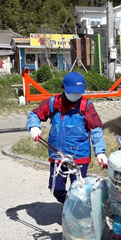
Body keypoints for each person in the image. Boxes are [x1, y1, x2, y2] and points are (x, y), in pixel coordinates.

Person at [26, 71, 108, 204]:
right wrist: (34, 126)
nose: (75, 96)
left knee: (79, 191)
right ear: (63, 88)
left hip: (80, 157)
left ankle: (76, 215)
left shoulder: (86, 106)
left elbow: (96, 130)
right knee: (56, 189)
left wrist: (100, 152)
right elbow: (34, 114)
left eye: (78, 93)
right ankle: (69, 205)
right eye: (72, 92)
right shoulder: (53, 103)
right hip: (58, 156)